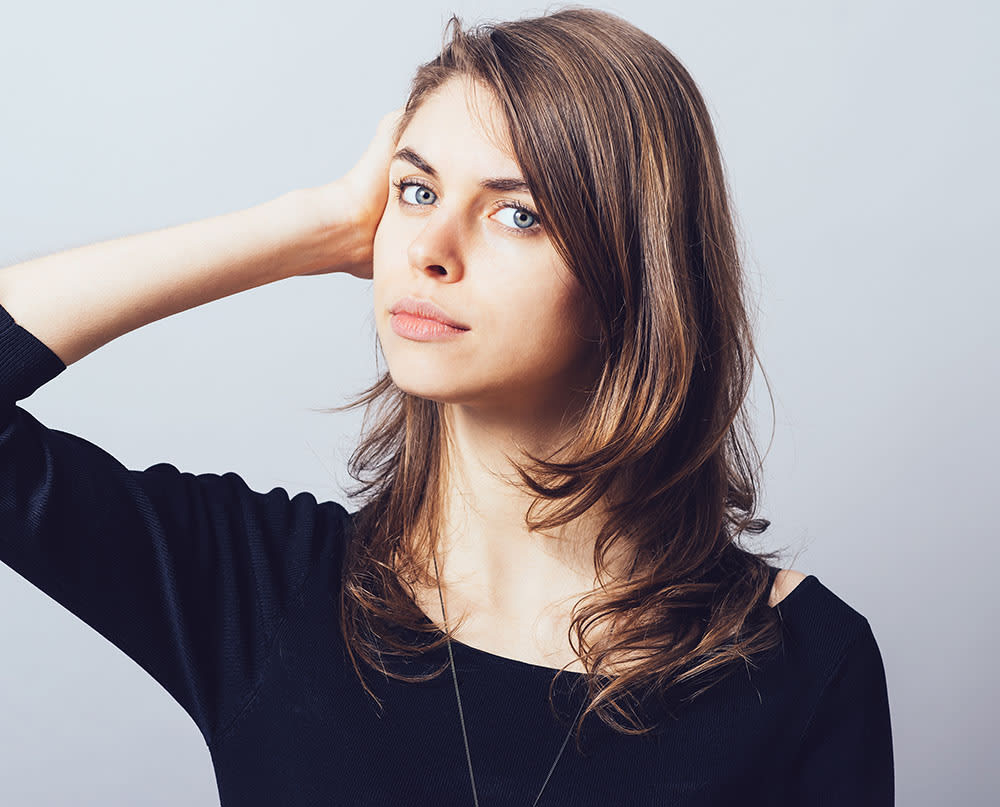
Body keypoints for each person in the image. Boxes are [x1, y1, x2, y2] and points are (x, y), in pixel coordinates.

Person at [0, 7, 893, 806]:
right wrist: (305, 226)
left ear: (637, 274)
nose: (429, 246)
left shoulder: (805, 660)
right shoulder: (268, 593)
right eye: (415, 191)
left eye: (518, 214)